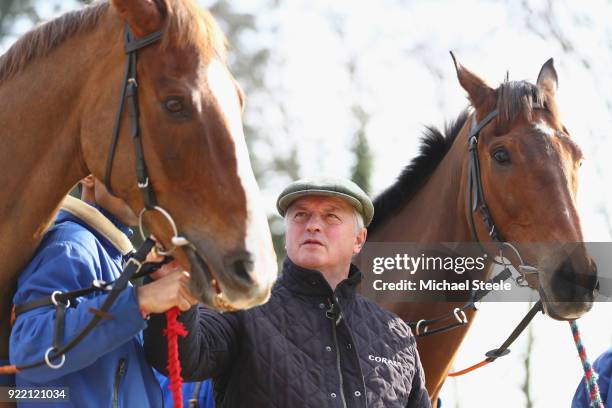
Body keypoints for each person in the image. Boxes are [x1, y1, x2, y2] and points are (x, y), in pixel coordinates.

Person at [144, 177, 431, 407]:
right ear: (288, 233)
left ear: (359, 239)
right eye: (301, 216)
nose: (313, 225)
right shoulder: (242, 306)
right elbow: (181, 361)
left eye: (331, 217)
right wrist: (178, 296)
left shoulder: (396, 334)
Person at [9, 175, 197, 407]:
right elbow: (31, 351)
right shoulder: (72, 244)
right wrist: (143, 299)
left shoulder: (112, 258)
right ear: (88, 177)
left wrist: (153, 286)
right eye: (131, 173)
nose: (142, 188)